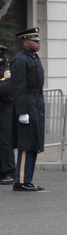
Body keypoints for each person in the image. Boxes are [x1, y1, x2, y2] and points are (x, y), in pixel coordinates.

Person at [9, 28, 46, 191]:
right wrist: (22, 111)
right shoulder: (20, 60)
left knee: (34, 142)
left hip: (36, 103)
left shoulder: (33, 58)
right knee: (26, 143)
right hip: (27, 103)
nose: (38, 43)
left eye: (38, 40)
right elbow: (18, 87)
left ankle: (27, 179)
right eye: (34, 40)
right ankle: (21, 181)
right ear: (25, 43)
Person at [0, 44, 15, 185]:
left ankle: (9, 171)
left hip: (5, 108)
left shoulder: (6, 69)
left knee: (5, 141)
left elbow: (5, 87)